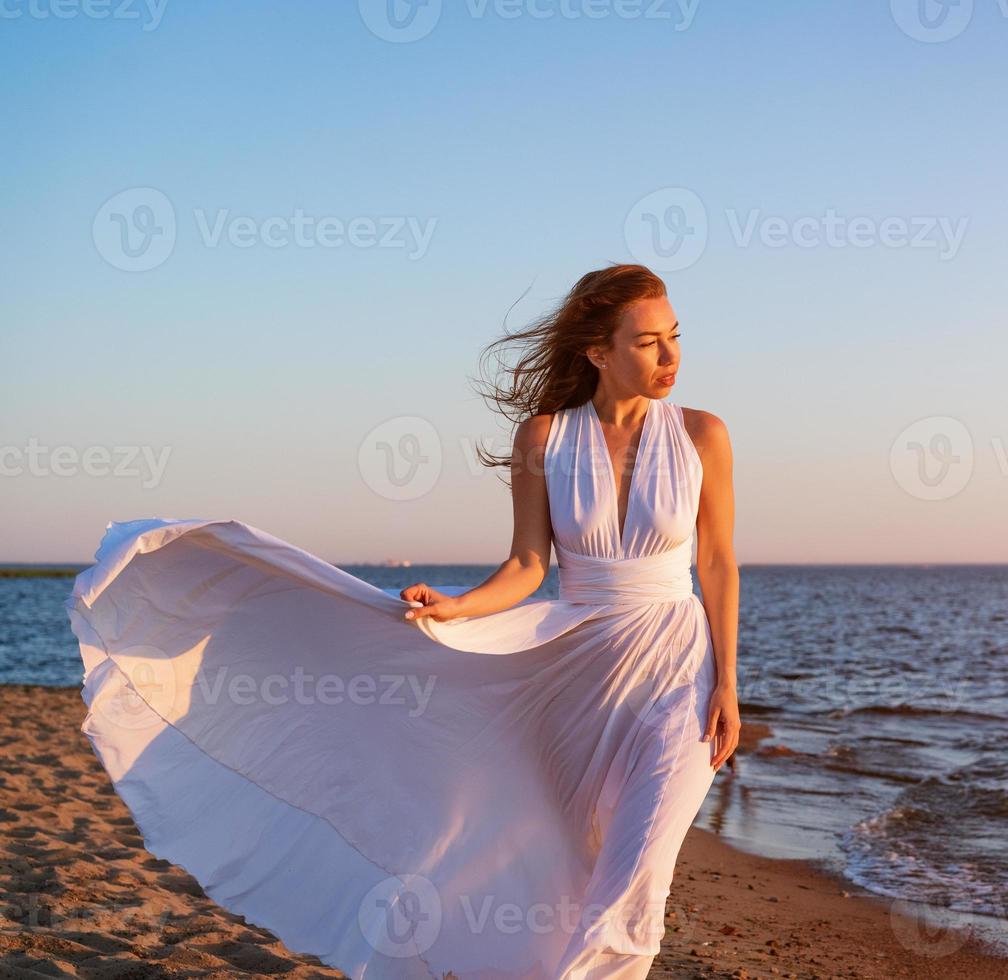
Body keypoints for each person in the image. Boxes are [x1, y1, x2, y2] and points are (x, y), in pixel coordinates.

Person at [66, 263, 740, 979]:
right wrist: (455, 609)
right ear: (597, 352)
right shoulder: (544, 440)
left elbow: (720, 564)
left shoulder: (702, 435)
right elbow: (526, 567)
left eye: (673, 338)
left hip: (676, 672)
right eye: (647, 343)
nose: (670, 358)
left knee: (638, 876)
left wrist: (727, 683)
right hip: (574, 681)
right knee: (565, 865)